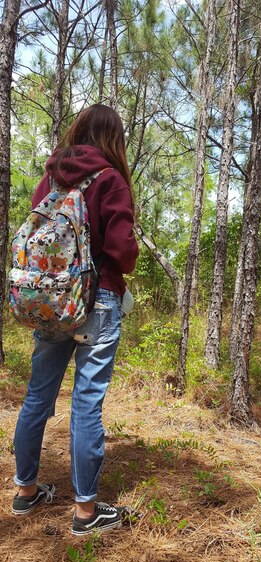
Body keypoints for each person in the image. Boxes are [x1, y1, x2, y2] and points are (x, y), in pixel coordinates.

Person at [11, 104, 139, 535]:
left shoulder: (50, 178)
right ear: (113, 139)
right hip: (97, 298)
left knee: (37, 396)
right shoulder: (110, 180)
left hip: (52, 303)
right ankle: (85, 513)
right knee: (86, 402)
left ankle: (26, 492)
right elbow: (122, 252)